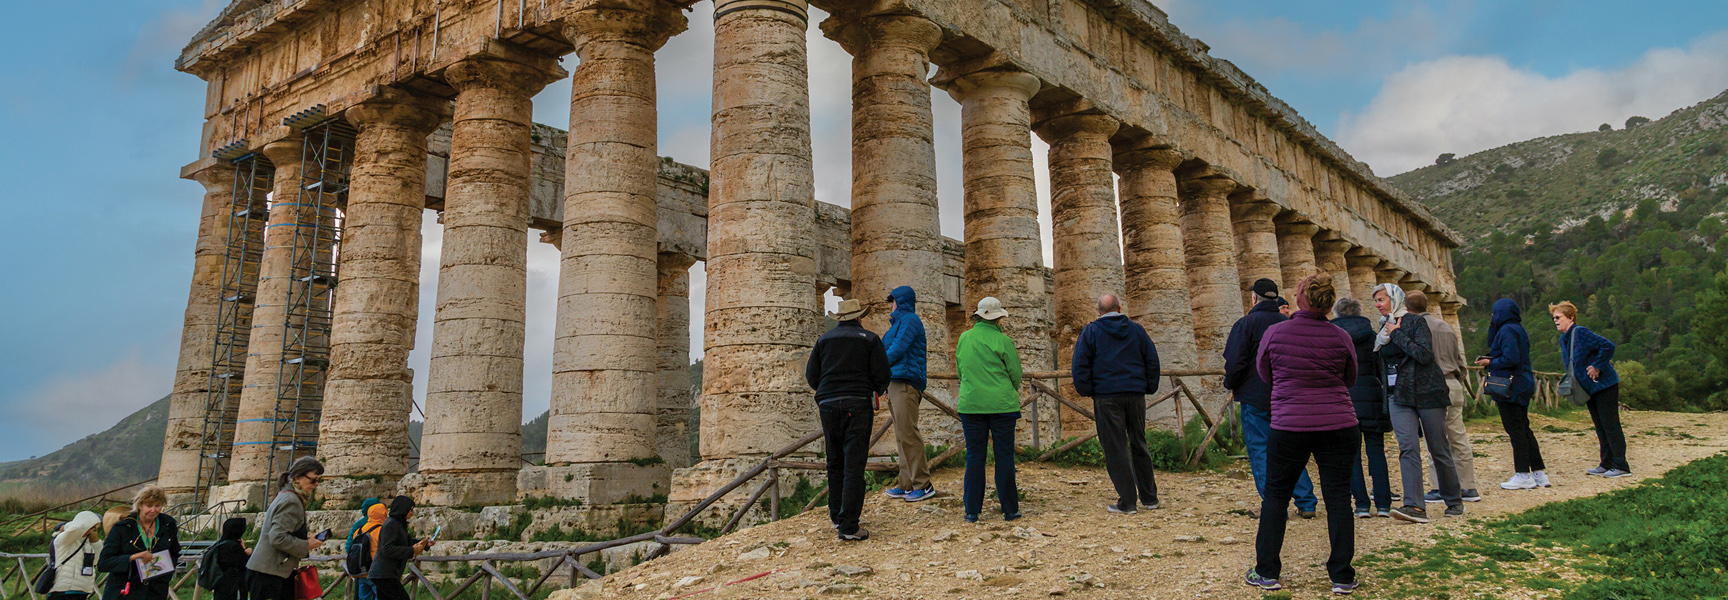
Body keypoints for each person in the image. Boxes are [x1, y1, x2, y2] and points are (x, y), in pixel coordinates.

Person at [1245, 275, 1361, 595]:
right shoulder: (1341, 336)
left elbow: (1264, 372)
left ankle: (1267, 571)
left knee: (1276, 497)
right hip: (1339, 423)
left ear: (1301, 298)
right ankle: (1342, 576)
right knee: (1339, 499)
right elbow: (1350, 377)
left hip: (1289, 424)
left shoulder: (1275, 332)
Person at [1224, 278, 1317, 519]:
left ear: (1254, 298)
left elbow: (1235, 362)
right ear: (1276, 299)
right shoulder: (1287, 323)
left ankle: (1274, 506)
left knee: (1261, 450)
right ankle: (1306, 501)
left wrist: (1231, 384)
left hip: (1256, 397)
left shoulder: (1246, 324)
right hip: (1287, 396)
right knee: (1289, 450)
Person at [804, 298, 891, 540]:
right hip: (857, 404)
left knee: (834, 462)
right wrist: (870, 388)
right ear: (859, 317)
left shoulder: (823, 341)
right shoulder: (870, 339)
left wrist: (828, 390)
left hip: (828, 405)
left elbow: (812, 376)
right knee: (854, 463)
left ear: (839, 319)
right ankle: (849, 525)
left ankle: (835, 516)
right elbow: (883, 375)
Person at [1376, 285, 1463, 523]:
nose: (1377, 304)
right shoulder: (1383, 327)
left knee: (1438, 447)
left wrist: (1396, 334)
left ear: (1395, 299)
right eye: (1375, 300)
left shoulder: (1415, 323)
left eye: (1381, 299)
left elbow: (1424, 355)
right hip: (1399, 395)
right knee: (1407, 448)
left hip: (1427, 391)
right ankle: (1414, 506)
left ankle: (1453, 499)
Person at [1071, 293, 1163, 514]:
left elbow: (1080, 364)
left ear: (1098, 311)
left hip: (1107, 396)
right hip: (1135, 394)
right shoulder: (1136, 330)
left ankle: (1128, 502)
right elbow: (1152, 359)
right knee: (1139, 442)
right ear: (1120, 309)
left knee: (1115, 448)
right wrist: (1148, 386)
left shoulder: (1091, 332)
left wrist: (1088, 391)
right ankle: (1150, 498)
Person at [955, 297, 1023, 523]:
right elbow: (1016, 374)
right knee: (1004, 456)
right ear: (998, 318)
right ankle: (1010, 510)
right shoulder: (1003, 341)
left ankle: (972, 511)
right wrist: (1005, 390)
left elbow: (960, 369)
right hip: (1002, 404)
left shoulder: (964, 338)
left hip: (971, 404)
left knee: (974, 456)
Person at [1412, 292, 1480, 503]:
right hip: (1453, 383)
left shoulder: (1417, 328)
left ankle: (1440, 487)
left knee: (1435, 440)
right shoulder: (1446, 327)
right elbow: (1459, 360)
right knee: (1458, 437)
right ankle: (1468, 486)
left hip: (1433, 386)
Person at [1552, 301, 1629, 477]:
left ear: (1570, 317)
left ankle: (1621, 465)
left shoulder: (1580, 333)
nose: (1555, 320)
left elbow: (1607, 345)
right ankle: (1606, 463)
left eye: (1558, 317)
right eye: (1554, 318)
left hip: (1604, 385)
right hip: (1590, 389)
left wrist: (1597, 365)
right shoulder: (1564, 338)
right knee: (1600, 426)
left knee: (1610, 425)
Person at [1332, 298, 1392, 518]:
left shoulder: (1332, 334)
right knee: (1376, 452)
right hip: (1371, 395)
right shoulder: (1371, 334)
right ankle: (1384, 504)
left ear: (1337, 313)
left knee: (1352, 455)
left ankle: (1361, 505)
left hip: (1344, 398)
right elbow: (1380, 366)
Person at [1478, 299, 1548, 489]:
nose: (1493, 317)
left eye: (1494, 313)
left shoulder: (1507, 330)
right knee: (1524, 428)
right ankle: (1539, 473)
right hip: (1523, 381)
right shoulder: (1518, 328)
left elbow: (1511, 358)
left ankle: (1523, 474)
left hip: (1511, 385)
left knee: (1515, 429)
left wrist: (1489, 362)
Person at [880, 286, 936, 502]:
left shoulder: (910, 320)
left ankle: (923, 483)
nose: (890, 304)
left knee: (909, 434)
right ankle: (906, 484)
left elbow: (898, 349)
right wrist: (884, 382)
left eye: (892, 300)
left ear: (900, 301)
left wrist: (877, 367)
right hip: (895, 382)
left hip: (906, 382)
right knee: (901, 436)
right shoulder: (897, 324)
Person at [247, 457, 326, 600]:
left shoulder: (287, 496)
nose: (316, 484)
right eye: (313, 480)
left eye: (318, 480)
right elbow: (277, 537)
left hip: (270, 571)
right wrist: (307, 544)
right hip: (270, 573)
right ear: (298, 477)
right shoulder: (291, 501)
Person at [98, 485, 181, 600]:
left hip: (155, 592)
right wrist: (132, 557)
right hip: (123, 592)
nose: (153, 510)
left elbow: (174, 553)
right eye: (149, 506)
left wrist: (164, 572)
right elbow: (104, 562)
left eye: (157, 505)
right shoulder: (122, 527)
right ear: (140, 505)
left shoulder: (168, 525)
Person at [369, 496, 433, 600]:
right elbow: (387, 548)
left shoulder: (398, 524)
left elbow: (406, 542)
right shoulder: (391, 524)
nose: (412, 512)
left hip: (386, 573)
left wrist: (425, 544)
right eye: (410, 509)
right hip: (384, 573)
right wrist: (412, 551)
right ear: (403, 508)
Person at [48, 511, 102, 600]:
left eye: (94, 529)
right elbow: (75, 529)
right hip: (63, 591)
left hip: (81, 591)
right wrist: (68, 526)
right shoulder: (63, 539)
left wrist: (95, 540)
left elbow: (96, 561)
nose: (90, 531)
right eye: (91, 528)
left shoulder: (87, 544)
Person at [348, 500, 387, 600]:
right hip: (375, 571)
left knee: (363, 597)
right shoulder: (382, 530)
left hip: (361, 572)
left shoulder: (359, 530)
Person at [209, 518, 251, 600]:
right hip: (233, 587)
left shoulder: (220, 544)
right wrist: (246, 551)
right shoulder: (233, 547)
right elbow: (244, 564)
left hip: (220, 586)